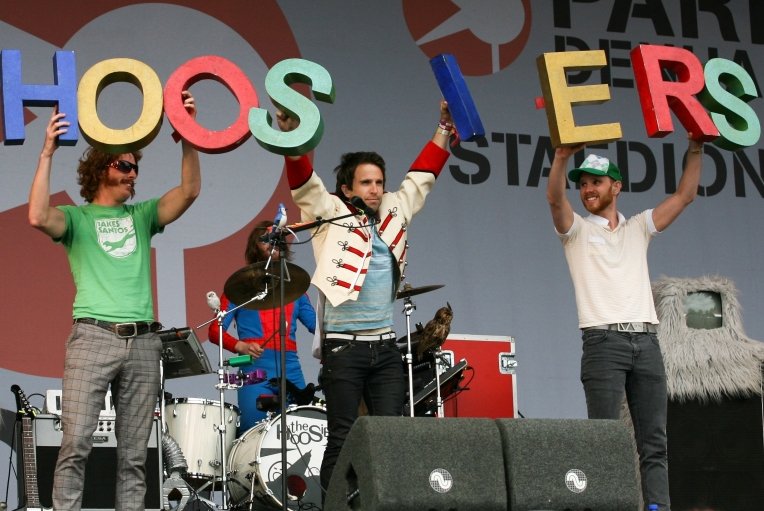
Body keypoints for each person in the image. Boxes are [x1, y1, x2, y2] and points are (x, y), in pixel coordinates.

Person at [28, 92, 200, 511]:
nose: (132, 174)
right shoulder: (76, 217)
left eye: (135, 168)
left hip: (143, 342)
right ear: (100, 168)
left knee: (135, 456)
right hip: (92, 337)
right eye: (124, 166)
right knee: (75, 443)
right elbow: (36, 216)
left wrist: (188, 136)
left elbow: (190, 191)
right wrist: (47, 153)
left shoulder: (141, 216)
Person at [276, 100, 454, 498]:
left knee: (389, 437)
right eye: (366, 183)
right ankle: (337, 505)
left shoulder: (394, 207)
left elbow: (423, 176)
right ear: (347, 188)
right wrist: (291, 139)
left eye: (379, 182)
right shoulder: (329, 211)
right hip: (344, 349)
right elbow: (305, 183)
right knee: (343, 437)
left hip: (385, 348)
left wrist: (443, 129)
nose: (375, 190)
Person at [546, 134, 704, 511]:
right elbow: (555, 199)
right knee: (604, 442)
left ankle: (657, 507)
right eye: (583, 184)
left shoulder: (638, 227)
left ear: (616, 187)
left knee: (654, 442)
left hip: (647, 342)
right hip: (603, 344)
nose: (587, 189)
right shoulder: (577, 231)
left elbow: (685, 195)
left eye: (596, 182)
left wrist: (696, 148)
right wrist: (561, 158)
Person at [207, 219, 316, 432]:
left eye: (276, 239)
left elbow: (317, 326)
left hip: (291, 368)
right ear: (254, 247)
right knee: (253, 432)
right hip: (254, 370)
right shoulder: (239, 287)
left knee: (299, 430)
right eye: (265, 240)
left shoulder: (296, 289)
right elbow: (214, 330)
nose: (272, 243)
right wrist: (241, 346)